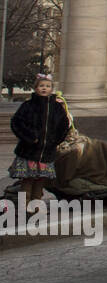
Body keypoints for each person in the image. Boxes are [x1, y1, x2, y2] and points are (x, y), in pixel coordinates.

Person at [9, 73, 71, 212]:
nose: (44, 88)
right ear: (36, 88)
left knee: (40, 180)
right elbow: (16, 123)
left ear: (51, 89)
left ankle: (36, 204)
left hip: (47, 151)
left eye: (47, 86)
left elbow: (64, 125)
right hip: (29, 150)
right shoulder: (28, 105)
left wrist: (55, 141)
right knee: (28, 179)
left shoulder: (56, 107)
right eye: (41, 86)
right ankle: (24, 205)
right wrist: (29, 137)